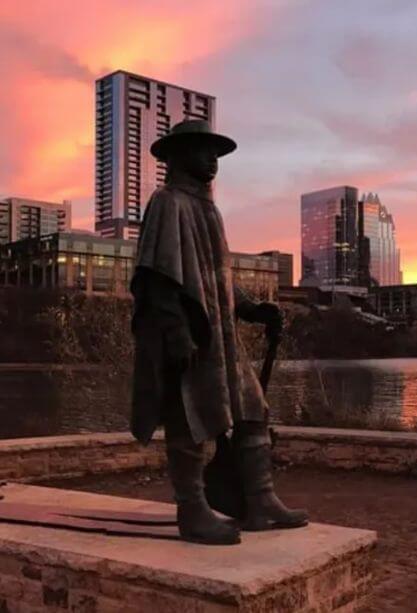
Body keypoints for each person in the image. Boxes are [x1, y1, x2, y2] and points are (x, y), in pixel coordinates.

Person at [130, 119, 308, 545]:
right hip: (189, 337)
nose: (213, 159)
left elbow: (216, 277)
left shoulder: (208, 208)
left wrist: (250, 307)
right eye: (203, 150)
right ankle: (191, 510)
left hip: (221, 338)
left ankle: (260, 500)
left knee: (253, 411)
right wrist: (175, 332)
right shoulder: (166, 202)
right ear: (177, 155)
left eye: (217, 153)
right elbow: (156, 277)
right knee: (187, 418)